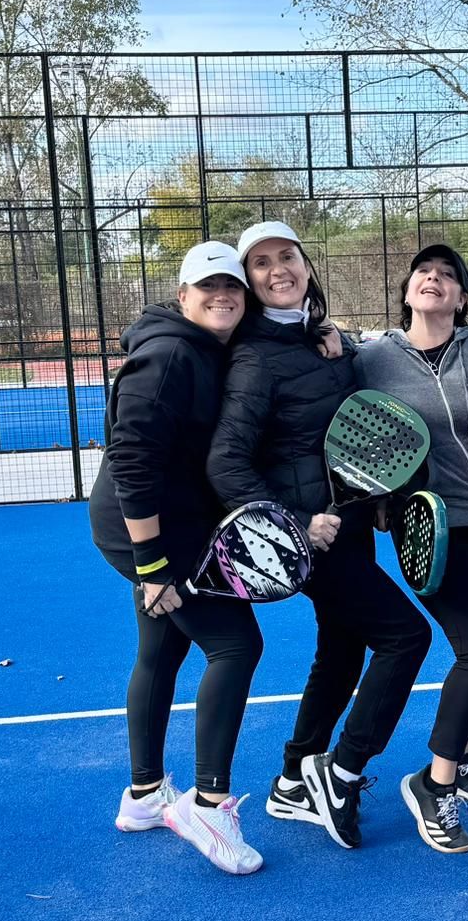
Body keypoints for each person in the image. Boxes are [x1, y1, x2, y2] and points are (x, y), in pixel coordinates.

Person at [207, 221, 432, 851]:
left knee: (342, 648)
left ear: (307, 265)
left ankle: (292, 776)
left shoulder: (317, 337)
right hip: (313, 537)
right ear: (248, 282)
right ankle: (342, 771)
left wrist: (379, 499)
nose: (278, 269)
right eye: (261, 264)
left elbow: (350, 426)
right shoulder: (253, 358)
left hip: (351, 523)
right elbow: (226, 463)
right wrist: (296, 523)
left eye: (288, 257)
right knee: (405, 637)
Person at [88, 241, 264, 875]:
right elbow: (131, 460)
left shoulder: (206, 348)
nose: (223, 296)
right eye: (208, 286)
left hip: (167, 524)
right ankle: (210, 804)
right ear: (183, 296)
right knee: (236, 646)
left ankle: (143, 795)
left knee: (162, 648)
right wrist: (153, 565)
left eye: (233, 288)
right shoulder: (167, 356)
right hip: (146, 529)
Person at [355, 244, 468, 855]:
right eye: (425, 272)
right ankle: (436, 783)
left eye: (449, 275)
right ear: (406, 292)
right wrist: (372, 498)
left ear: (462, 296)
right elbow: (342, 425)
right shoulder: (368, 357)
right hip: (431, 527)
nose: (435, 279)